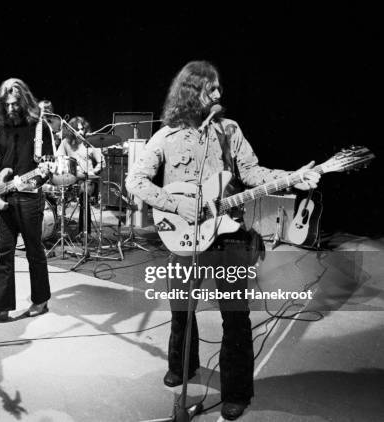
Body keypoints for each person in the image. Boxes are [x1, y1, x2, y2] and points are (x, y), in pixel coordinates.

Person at [125, 61, 319, 420]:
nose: (219, 94)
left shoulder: (229, 131)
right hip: (183, 238)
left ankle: (237, 391)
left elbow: (252, 173)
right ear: (191, 91)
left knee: (235, 316)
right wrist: (175, 203)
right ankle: (183, 365)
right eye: (210, 88)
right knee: (181, 311)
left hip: (229, 237)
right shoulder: (166, 136)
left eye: (219, 88)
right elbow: (135, 181)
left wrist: (293, 177)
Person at [0, 78, 54, 327]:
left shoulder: (40, 127)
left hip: (29, 198)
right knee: (3, 253)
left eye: (14, 104)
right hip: (4, 195)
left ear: (24, 101)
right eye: (6, 104)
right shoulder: (4, 127)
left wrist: (35, 179)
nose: (10, 109)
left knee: (34, 252)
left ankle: (40, 301)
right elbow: (3, 160)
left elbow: (47, 168)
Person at [55, 116, 105, 237]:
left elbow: (101, 162)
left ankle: (84, 232)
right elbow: (58, 159)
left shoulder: (89, 142)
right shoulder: (65, 143)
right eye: (77, 129)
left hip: (86, 179)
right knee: (53, 191)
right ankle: (55, 228)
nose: (81, 132)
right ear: (71, 131)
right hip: (69, 178)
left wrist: (94, 172)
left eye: (82, 129)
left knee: (84, 197)